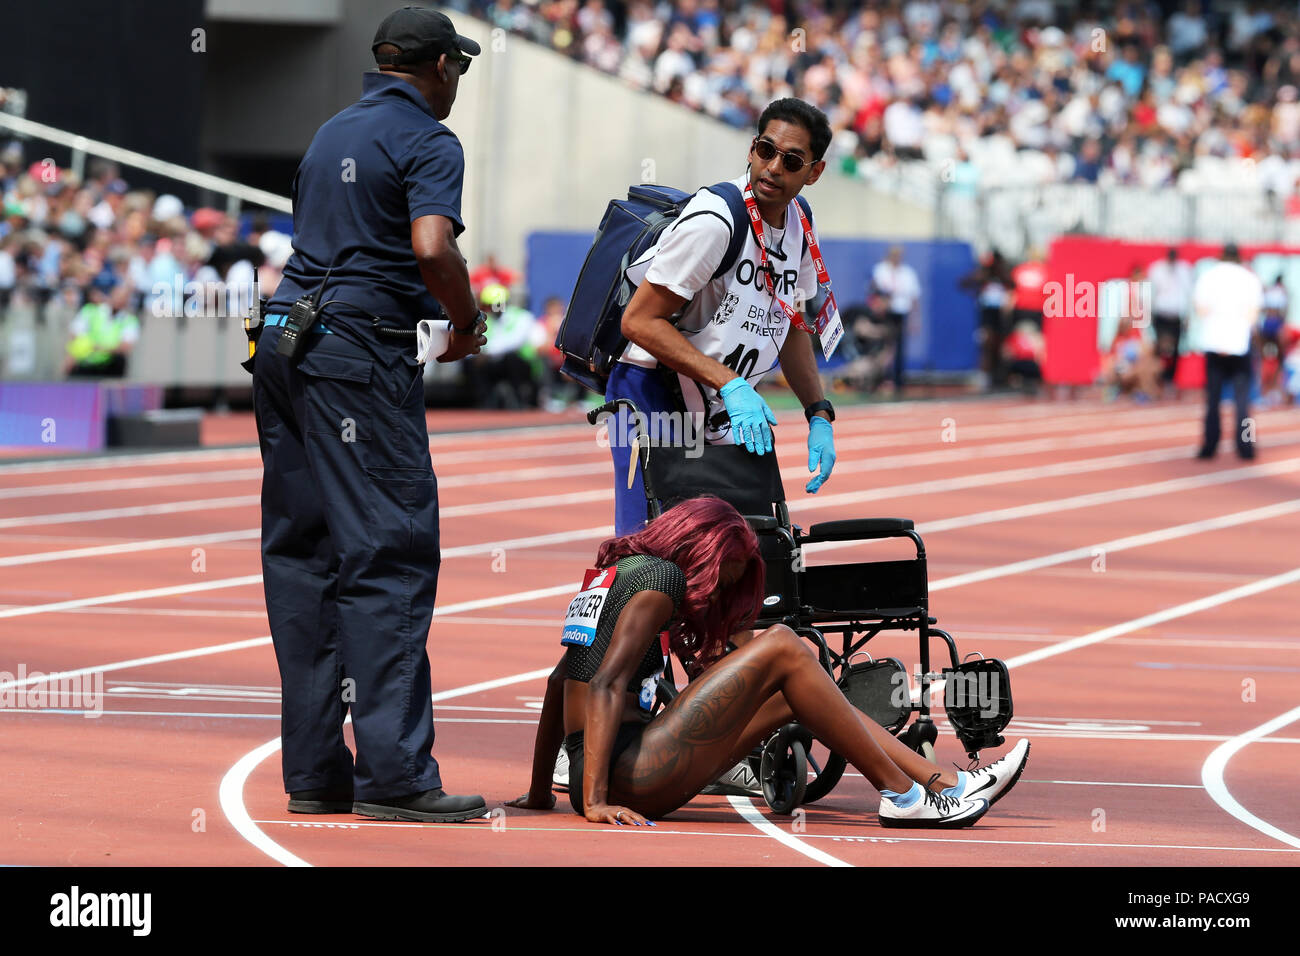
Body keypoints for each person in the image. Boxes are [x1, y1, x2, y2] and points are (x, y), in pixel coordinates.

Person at [251, 6, 490, 823]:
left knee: (304, 554)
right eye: (458, 68)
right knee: (387, 553)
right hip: (358, 352)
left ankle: (316, 774)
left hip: (283, 342)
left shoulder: (329, 133)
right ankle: (395, 775)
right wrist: (465, 319)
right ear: (441, 68)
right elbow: (431, 246)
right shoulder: (430, 140)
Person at [507, 496, 1031, 827]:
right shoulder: (658, 580)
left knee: (794, 696)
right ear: (700, 552)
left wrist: (539, 793)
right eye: (724, 576)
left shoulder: (617, 573)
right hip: (628, 773)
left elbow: (560, 684)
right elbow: (603, 684)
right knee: (782, 643)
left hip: (618, 765)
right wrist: (595, 801)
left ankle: (944, 785)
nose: (720, 591)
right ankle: (901, 794)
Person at [611, 97, 841, 537]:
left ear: (814, 172)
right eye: (765, 150)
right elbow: (638, 322)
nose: (773, 167)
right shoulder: (715, 220)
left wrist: (818, 413)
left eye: (791, 160)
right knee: (653, 547)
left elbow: (792, 322)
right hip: (653, 393)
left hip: (722, 401)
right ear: (751, 149)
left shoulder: (801, 223)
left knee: (735, 547)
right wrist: (731, 383)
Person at [1191, 243, 1262, 460]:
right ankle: (1246, 447)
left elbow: (1200, 309)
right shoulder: (1249, 278)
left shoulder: (1209, 276)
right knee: (1243, 401)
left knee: (1212, 399)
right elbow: (1253, 313)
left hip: (1214, 342)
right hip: (1239, 343)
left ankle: (1209, 445)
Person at [871, 244, 921, 396]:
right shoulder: (881, 269)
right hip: (884, 313)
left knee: (898, 347)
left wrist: (915, 319)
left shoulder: (908, 273)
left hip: (900, 311)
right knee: (882, 344)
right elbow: (875, 290)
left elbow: (914, 298)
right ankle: (880, 378)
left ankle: (898, 380)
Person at [1147, 247, 1193, 395]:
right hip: (1160, 314)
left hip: (1176, 316)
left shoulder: (1184, 270)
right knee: (1159, 348)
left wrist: (1188, 316)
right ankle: (1156, 378)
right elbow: (1151, 292)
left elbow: (1188, 294)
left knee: (1175, 350)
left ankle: (1170, 379)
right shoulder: (1157, 269)